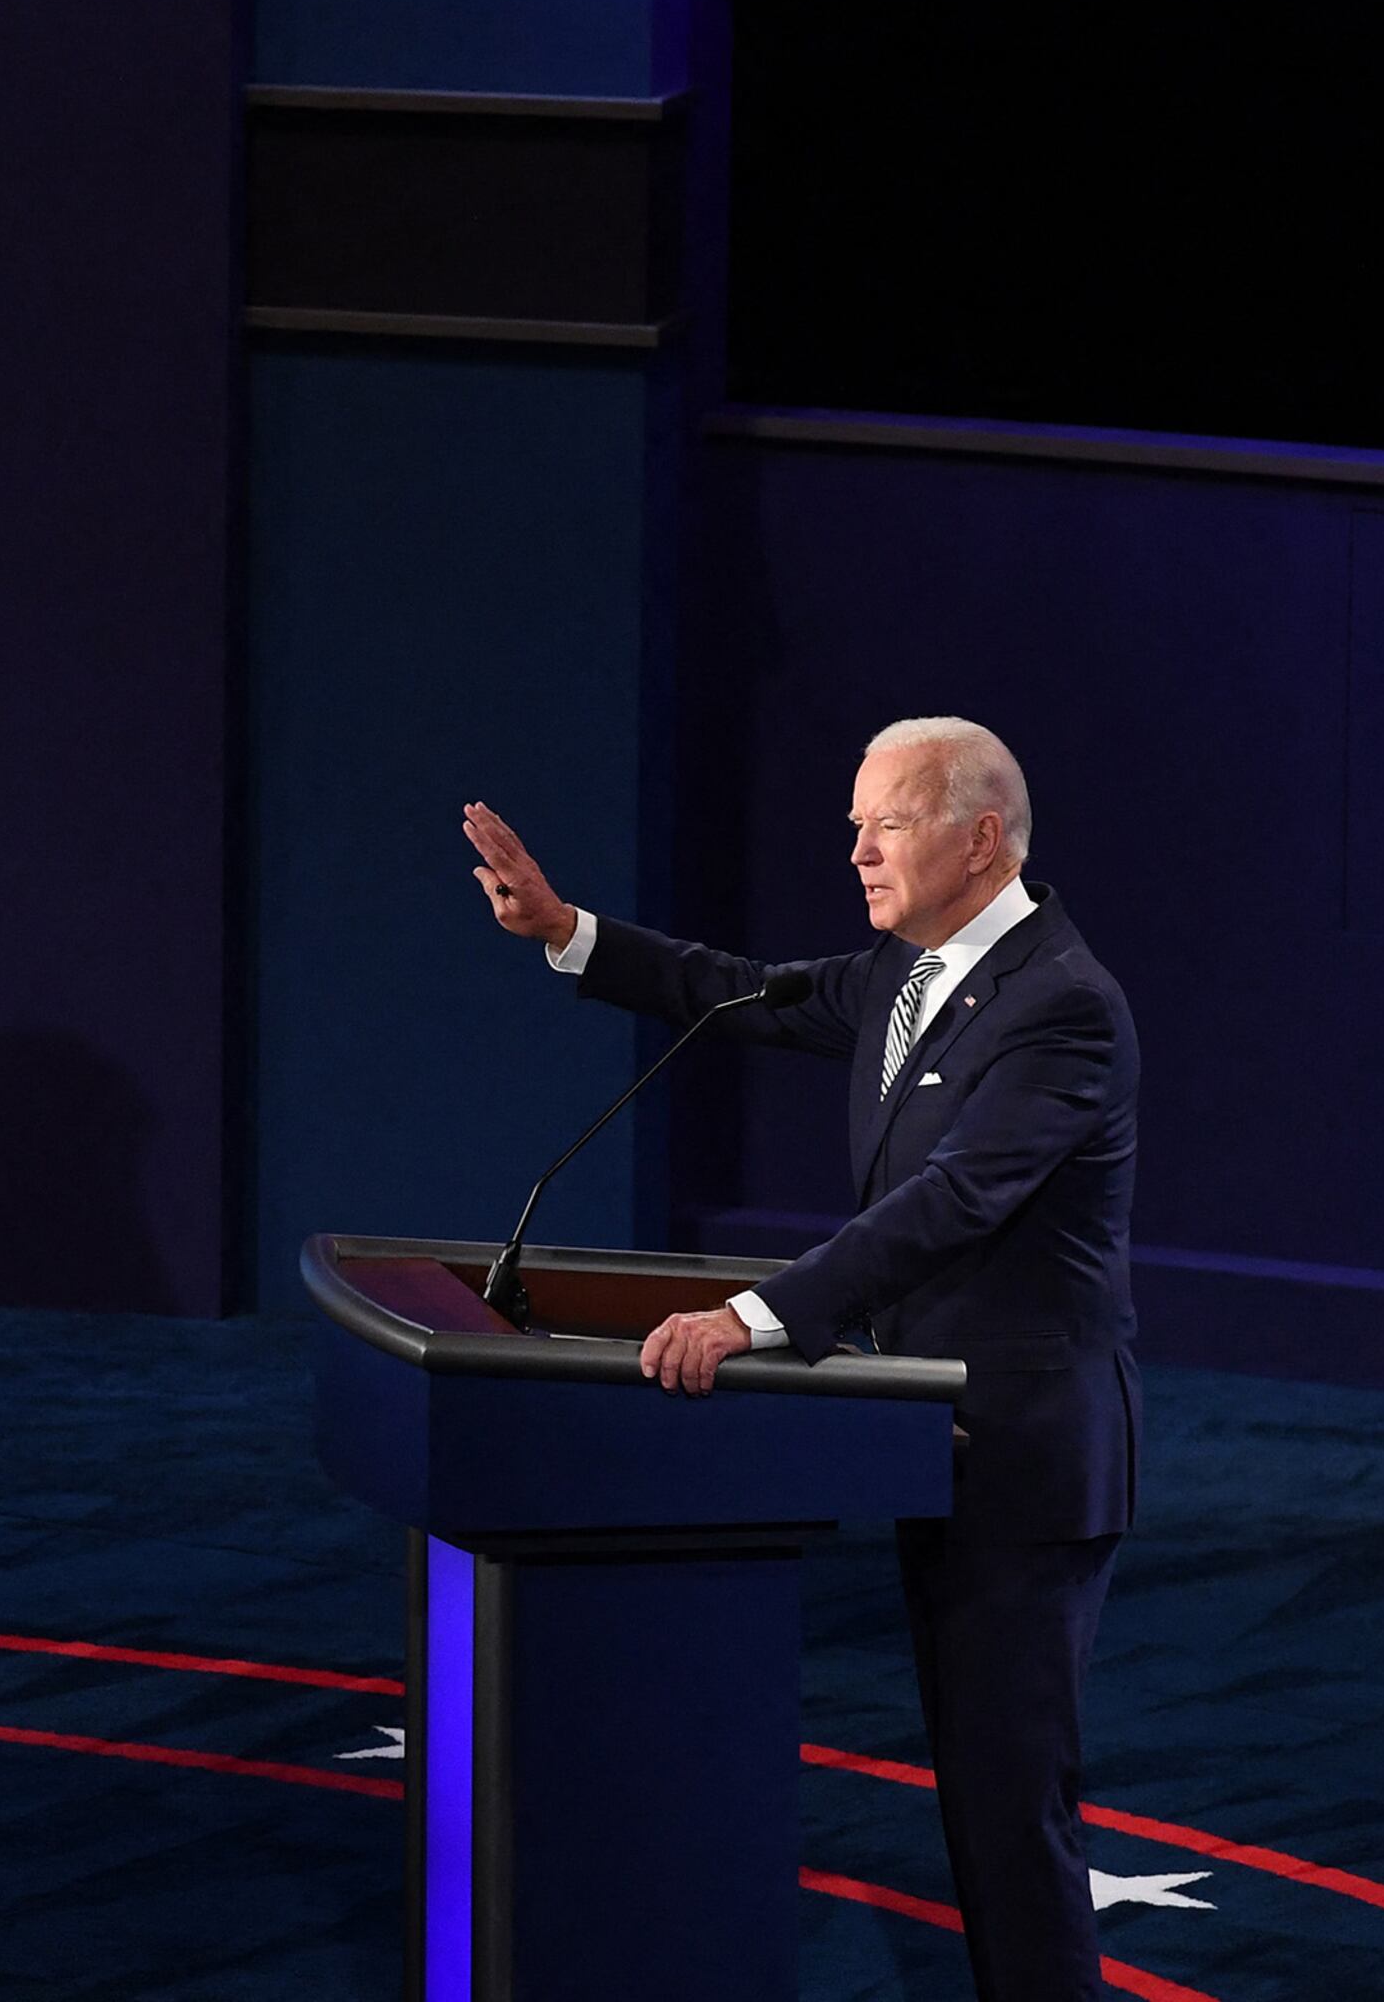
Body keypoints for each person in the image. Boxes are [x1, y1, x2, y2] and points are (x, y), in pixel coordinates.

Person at [461, 717, 1139, 2002]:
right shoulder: (906, 969)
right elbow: (738, 988)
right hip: (936, 1435)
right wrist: (565, 931)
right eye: (854, 823)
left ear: (979, 837)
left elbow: (952, 1199)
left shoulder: (1063, 1010)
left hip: (1029, 1460)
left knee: (1011, 1805)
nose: (858, 850)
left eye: (886, 823)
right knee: (979, 1798)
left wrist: (754, 1319)